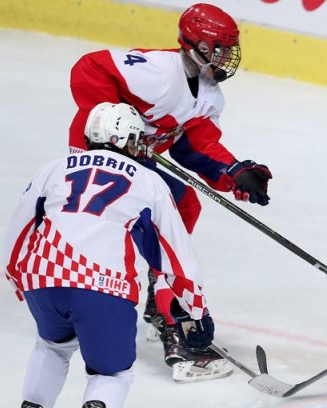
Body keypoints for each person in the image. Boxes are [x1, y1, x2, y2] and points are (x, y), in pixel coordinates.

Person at [5, 102, 222, 408]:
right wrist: (197, 311)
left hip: (44, 278)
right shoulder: (148, 181)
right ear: (125, 140)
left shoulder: (53, 168)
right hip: (104, 285)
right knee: (111, 372)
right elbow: (175, 252)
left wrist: (17, 274)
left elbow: (20, 224)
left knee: (52, 347)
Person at [68, 3, 271, 372]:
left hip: (135, 163)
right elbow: (89, 67)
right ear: (198, 44)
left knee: (183, 206)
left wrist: (234, 172)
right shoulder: (158, 72)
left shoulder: (209, 95)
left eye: (230, 49)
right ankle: (174, 321)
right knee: (154, 222)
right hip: (100, 157)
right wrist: (118, 124)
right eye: (220, 48)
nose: (227, 57)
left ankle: (161, 297)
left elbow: (196, 147)